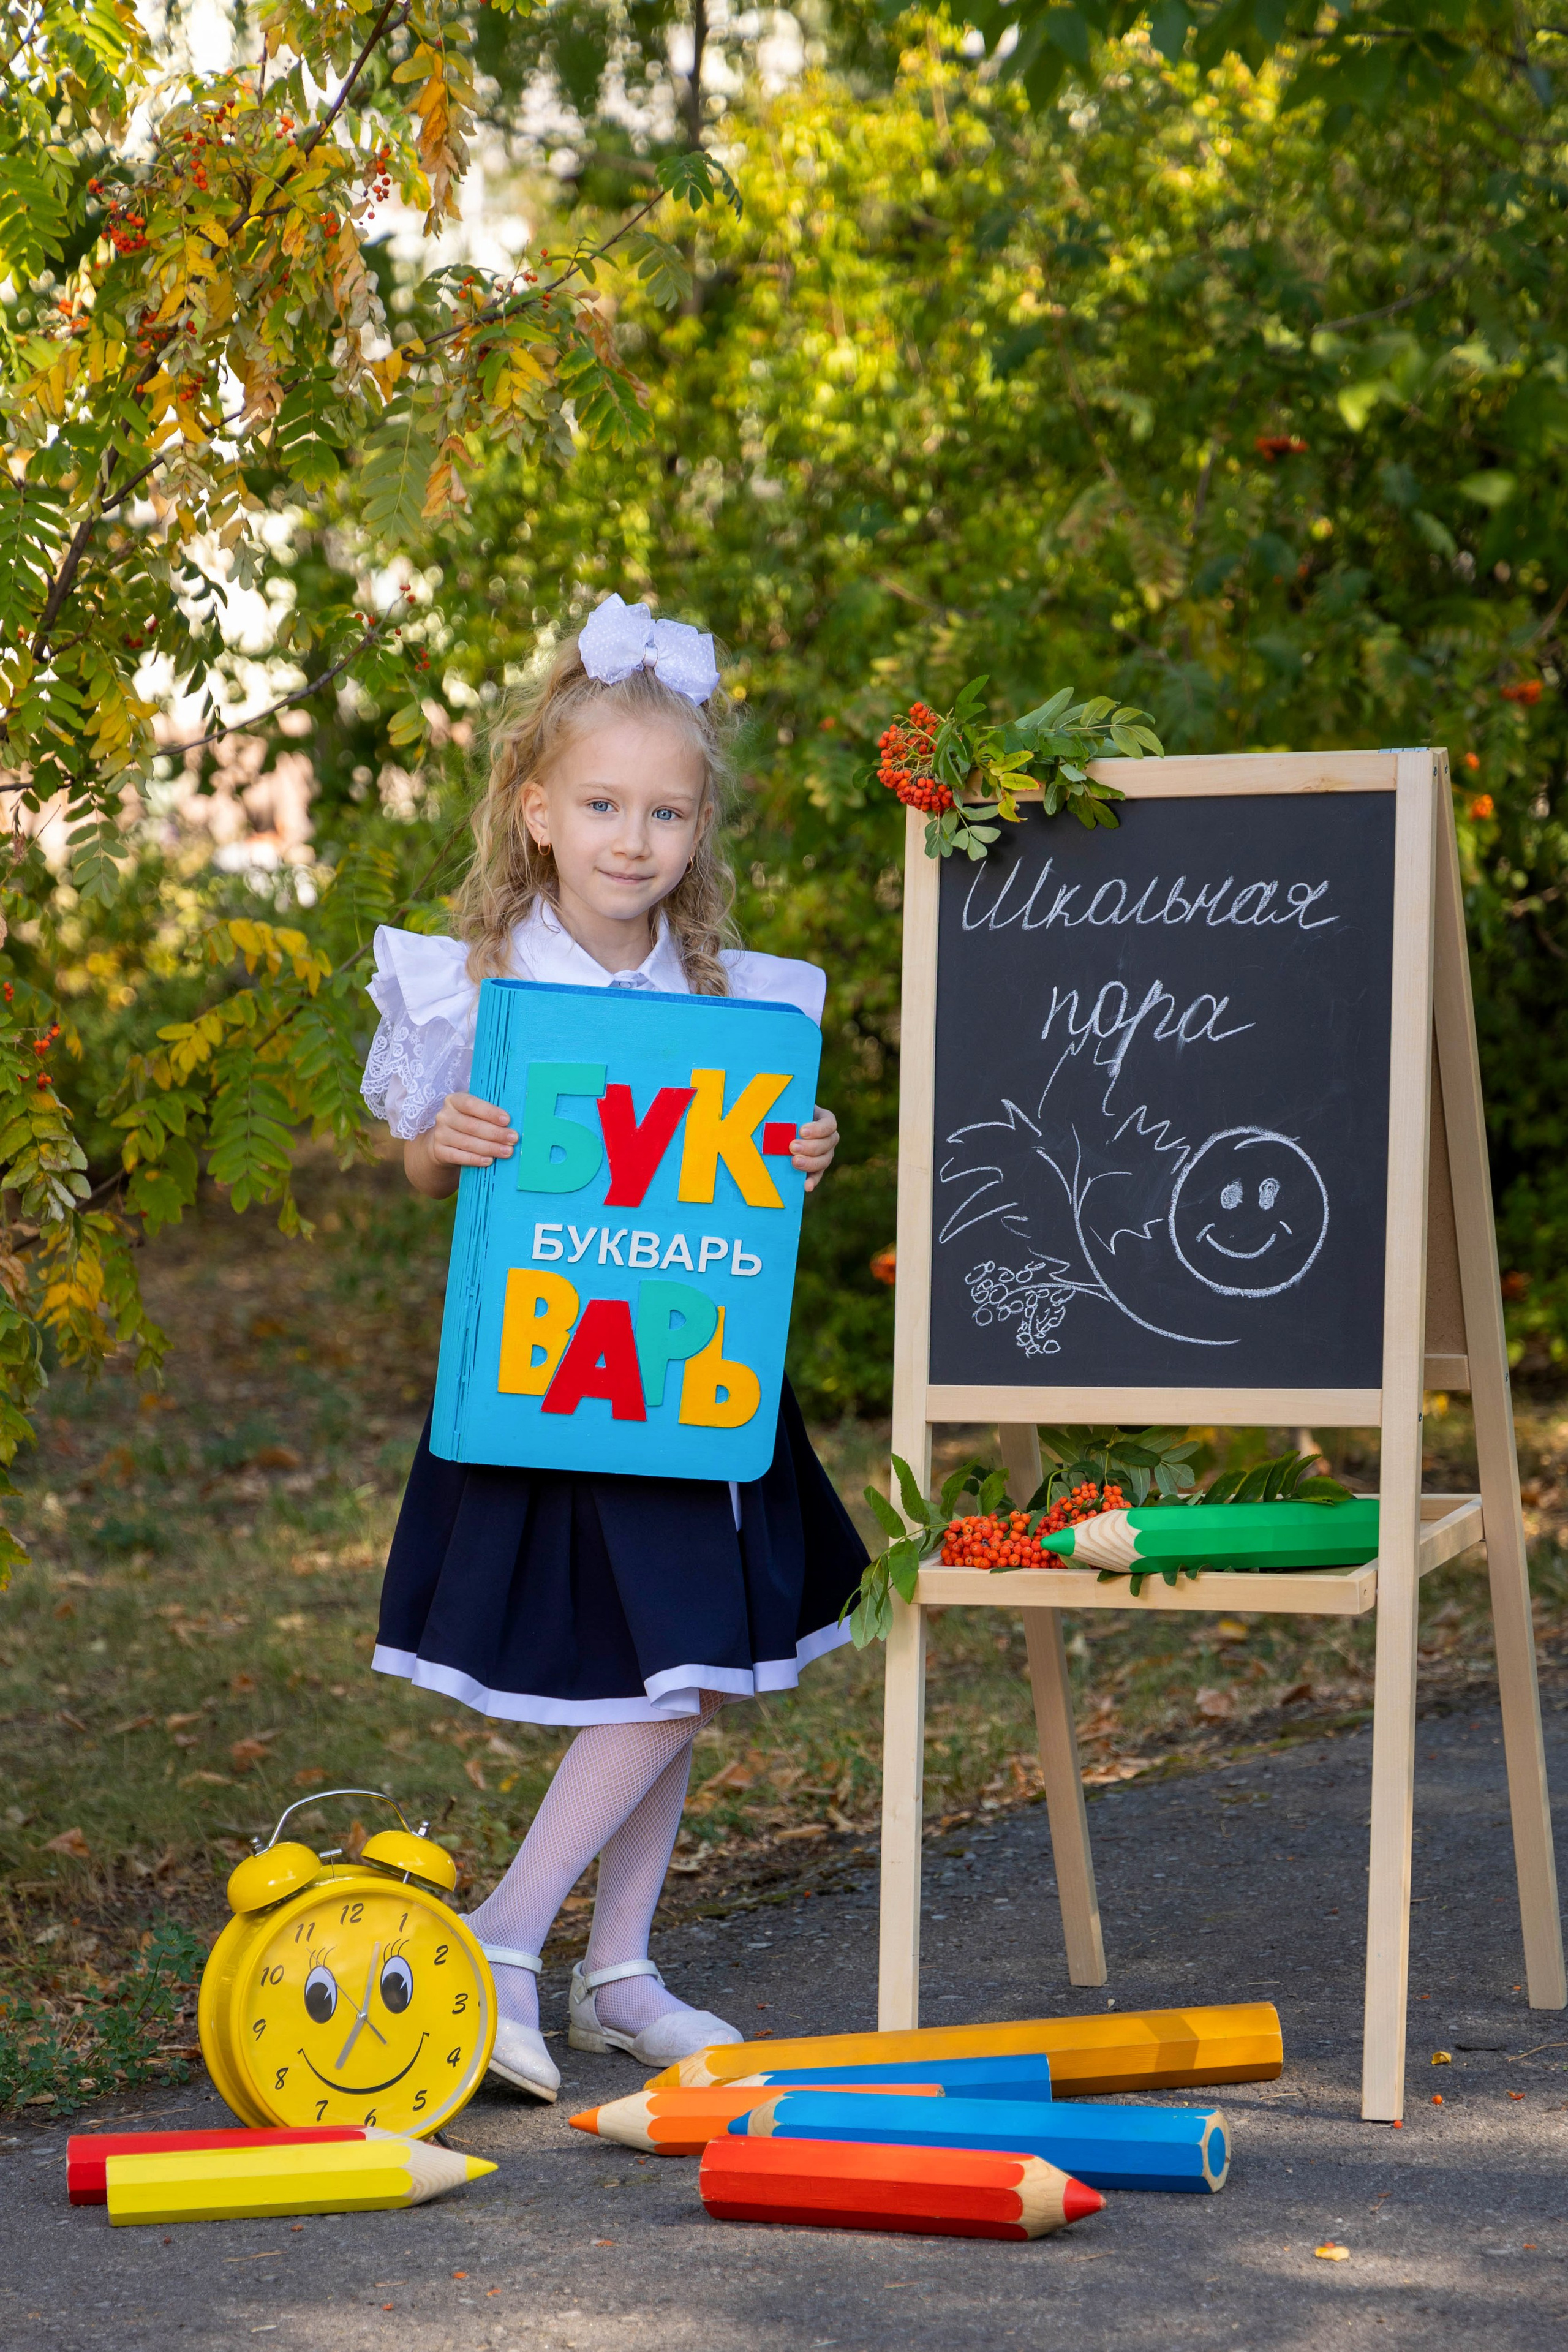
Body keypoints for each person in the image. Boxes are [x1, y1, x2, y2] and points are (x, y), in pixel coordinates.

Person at [360, 595, 869, 2102]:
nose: (630, 840)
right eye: (599, 806)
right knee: (667, 1676)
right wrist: (445, 1144)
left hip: (693, 1373)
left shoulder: (730, 1000)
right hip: (551, 1371)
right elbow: (419, 1165)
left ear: (697, 829)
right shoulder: (481, 982)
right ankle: (507, 1941)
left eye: (662, 812)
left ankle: (614, 1968)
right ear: (535, 811)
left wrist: (801, 1149)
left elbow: (739, 1175)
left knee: (682, 1667)